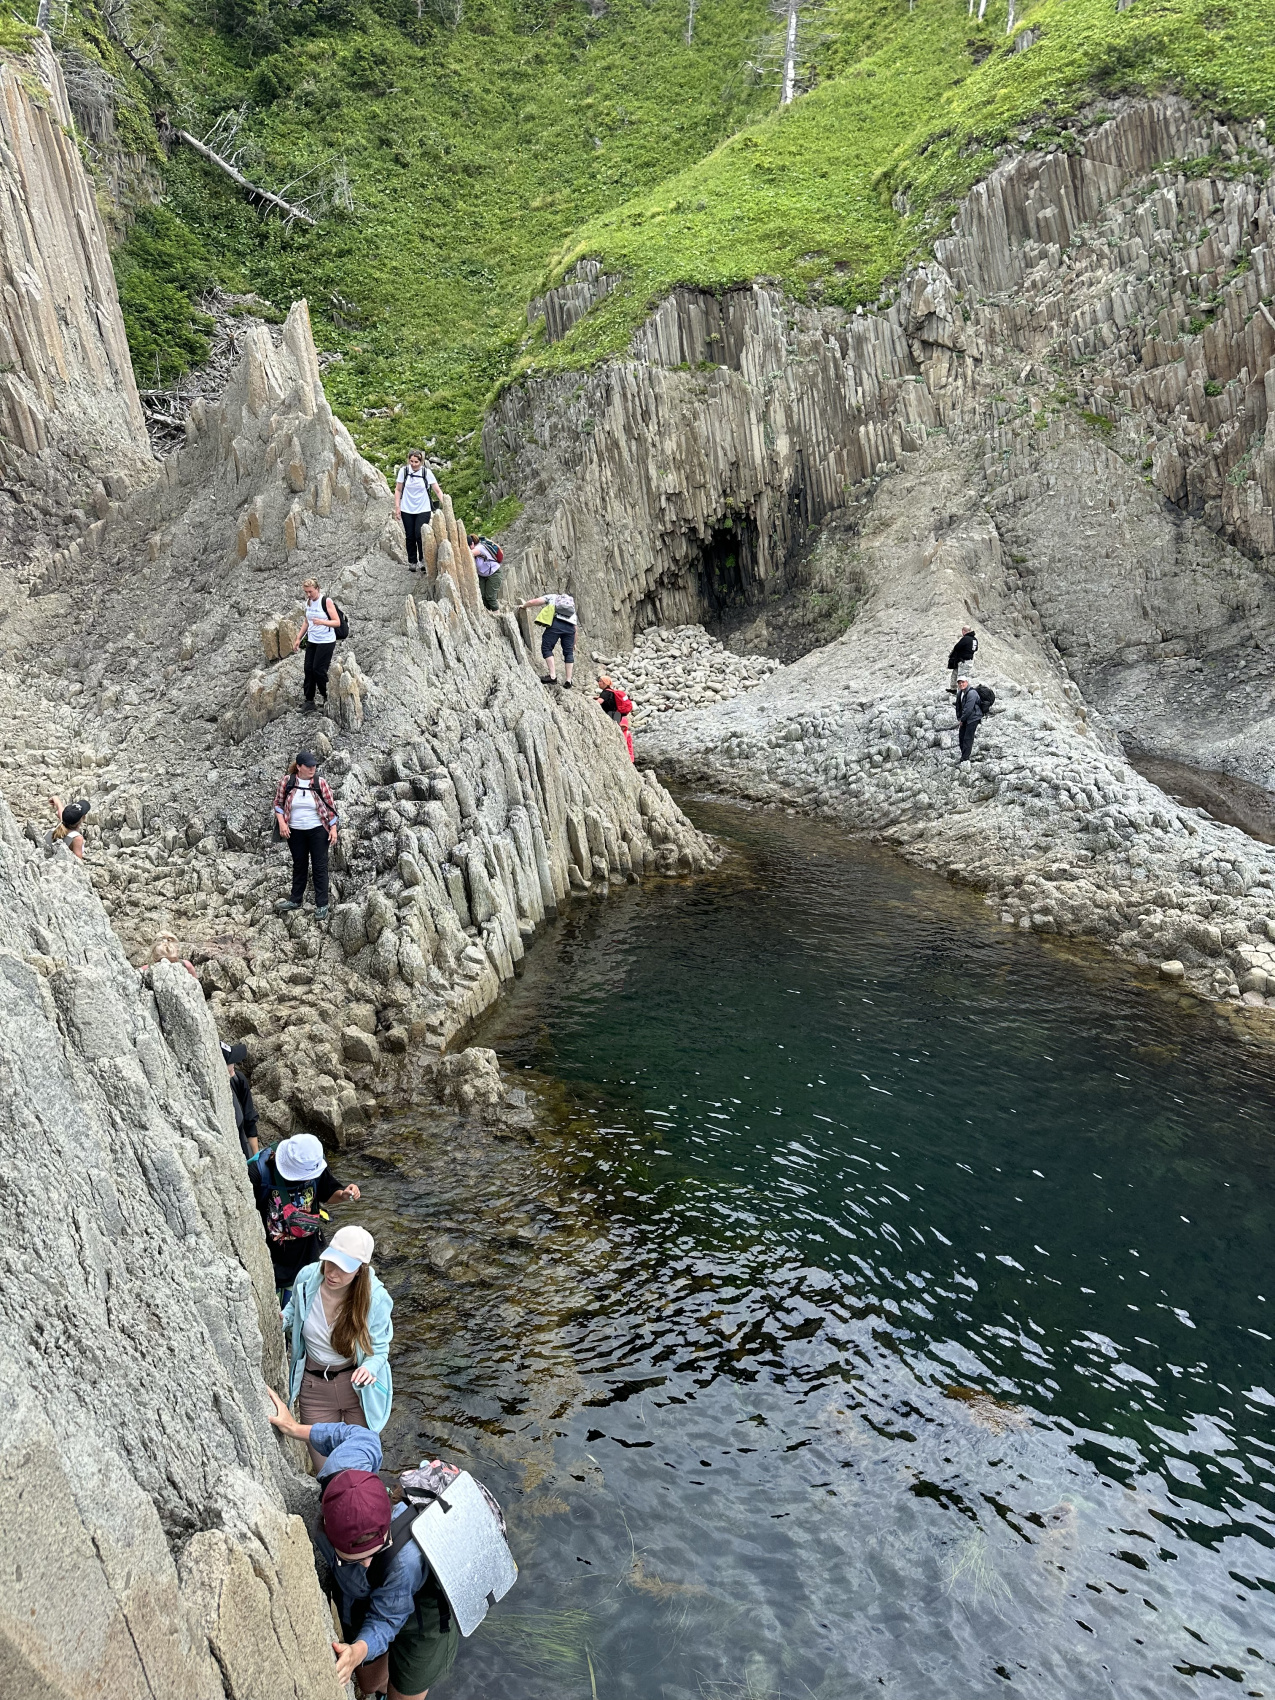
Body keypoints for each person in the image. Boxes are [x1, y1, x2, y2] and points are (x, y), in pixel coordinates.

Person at [264, 1399, 460, 1699]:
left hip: (423, 1616)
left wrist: (358, 1649)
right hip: (370, 1593)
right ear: (329, 1528)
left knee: (403, 1690)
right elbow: (361, 1436)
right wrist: (294, 1428)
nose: (367, 1563)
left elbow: (387, 1619)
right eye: (356, 1557)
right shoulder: (341, 1471)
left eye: (373, 1552)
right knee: (368, 1684)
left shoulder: (404, 1559)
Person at [282, 1225, 393, 1469]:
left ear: (360, 1270)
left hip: (357, 1391)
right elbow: (293, 1309)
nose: (332, 1273)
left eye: (344, 1268)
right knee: (326, 1472)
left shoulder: (376, 1298)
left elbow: (380, 1348)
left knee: (357, 1468)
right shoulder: (307, 1278)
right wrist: (284, 1319)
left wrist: (371, 1368)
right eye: (330, 1262)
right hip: (314, 1389)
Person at [250, 1133, 361, 1302]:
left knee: (300, 1315)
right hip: (272, 1263)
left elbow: (328, 1193)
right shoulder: (259, 1173)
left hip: (309, 1257)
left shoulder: (314, 1165)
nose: (309, 1178)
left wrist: (343, 1195)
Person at [273, 749, 339, 921]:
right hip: (294, 831)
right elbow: (278, 804)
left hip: (318, 830)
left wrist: (333, 829)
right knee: (299, 864)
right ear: (299, 767)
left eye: (314, 766)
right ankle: (295, 900)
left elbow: (331, 808)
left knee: (319, 866)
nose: (312, 769)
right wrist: (282, 822)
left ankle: (322, 905)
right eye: (309, 766)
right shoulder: (287, 782)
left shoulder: (320, 783)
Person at [291, 578, 340, 713]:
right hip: (312, 640)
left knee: (318, 669)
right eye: (306, 592)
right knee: (308, 669)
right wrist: (298, 638)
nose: (308, 594)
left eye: (310, 592)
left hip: (326, 641)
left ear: (317, 589)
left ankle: (327, 697)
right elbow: (307, 621)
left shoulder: (326, 602)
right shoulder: (308, 602)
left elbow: (337, 622)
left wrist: (323, 622)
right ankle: (309, 701)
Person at [395, 451, 443, 572]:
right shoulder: (404, 471)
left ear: (421, 462)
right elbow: (398, 489)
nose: (414, 464)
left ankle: (422, 560)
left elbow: (436, 489)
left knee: (420, 534)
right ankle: (412, 561)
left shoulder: (426, 472)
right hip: (407, 508)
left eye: (416, 462)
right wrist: (397, 507)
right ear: (408, 460)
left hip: (423, 508)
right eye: (411, 461)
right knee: (410, 535)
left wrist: (445, 502)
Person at [519, 592, 577, 688]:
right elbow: (575, 628)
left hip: (556, 624)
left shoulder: (553, 597)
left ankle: (552, 676)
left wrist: (524, 606)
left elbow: (535, 601)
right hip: (570, 628)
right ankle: (568, 681)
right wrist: (574, 643)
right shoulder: (571, 608)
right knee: (569, 653)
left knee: (547, 648)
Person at [223, 1040, 260, 1157]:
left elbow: (250, 1119)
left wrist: (256, 1157)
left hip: (242, 1139)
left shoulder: (238, 1079)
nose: (234, 1064)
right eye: (230, 1062)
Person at [468, 534, 502, 611]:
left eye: (469, 547)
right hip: (482, 575)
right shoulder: (474, 548)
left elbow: (470, 553)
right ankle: (489, 613)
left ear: (473, 544)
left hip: (494, 573)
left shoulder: (480, 547)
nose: (469, 549)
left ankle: (497, 613)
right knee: (482, 596)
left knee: (490, 597)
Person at [955, 675, 983, 765]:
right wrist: (959, 718)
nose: (961, 684)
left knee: (968, 738)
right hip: (965, 718)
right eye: (959, 683)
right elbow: (958, 707)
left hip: (974, 718)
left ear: (967, 682)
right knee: (961, 737)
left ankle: (965, 759)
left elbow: (968, 709)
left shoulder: (972, 693)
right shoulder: (960, 693)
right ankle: (964, 756)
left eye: (963, 682)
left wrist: (962, 720)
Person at [947, 626, 978, 694]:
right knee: (955, 674)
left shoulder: (965, 638)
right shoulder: (974, 639)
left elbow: (957, 647)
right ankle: (953, 689)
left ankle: (961, 694)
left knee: (961, 678)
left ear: (964, 631)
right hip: (969, 660)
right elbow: (975, 649)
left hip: (963, 661)